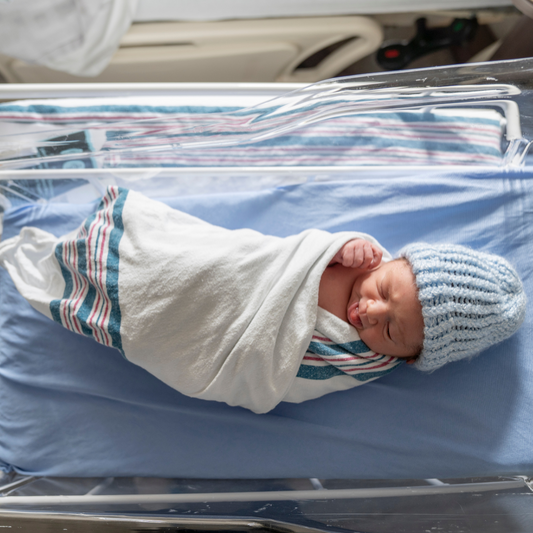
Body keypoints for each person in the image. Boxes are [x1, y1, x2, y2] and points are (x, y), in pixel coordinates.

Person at [0, 187, 527, 412]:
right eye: (385, 291)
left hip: (226, 339)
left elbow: (280, 374)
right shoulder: (359, 257)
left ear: (408, 357)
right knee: (184, 260)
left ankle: (108, 296)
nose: (370, 311)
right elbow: (275, 260)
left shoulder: (359, 360)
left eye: (391, 331)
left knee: (156, 307)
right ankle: (113, 257)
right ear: (394, 262)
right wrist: (339, 246)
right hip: (227, 273)